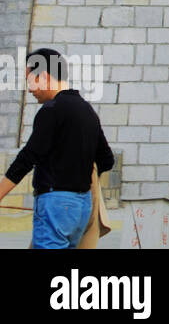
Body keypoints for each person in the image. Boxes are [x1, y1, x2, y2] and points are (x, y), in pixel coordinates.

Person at [0, 49, 115, 249]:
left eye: (30, 81)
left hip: (55, 204)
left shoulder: (51, 110)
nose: (29, 89)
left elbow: (27, 158)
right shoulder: (87, 110)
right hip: (82, 207)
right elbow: (106, 160)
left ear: (43, 76)